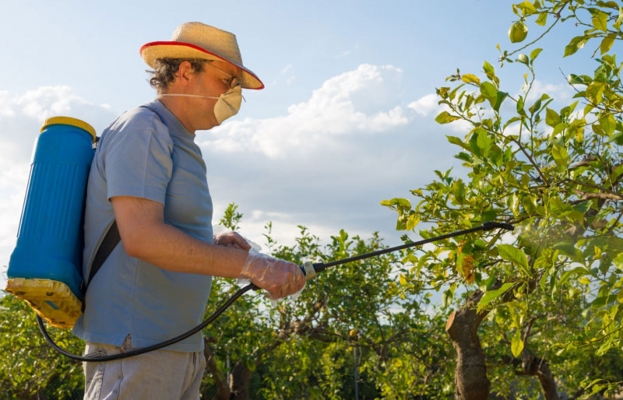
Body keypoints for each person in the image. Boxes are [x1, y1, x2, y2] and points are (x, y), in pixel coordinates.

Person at [72, 21, 306, 400]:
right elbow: (142, 237)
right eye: (226, 80)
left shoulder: (179, 140)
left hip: (175, 346)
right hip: (135, 347)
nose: (232, 94)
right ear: (185, 71)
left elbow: (156, 229)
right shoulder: (145, 129)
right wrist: (252, 266)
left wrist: (211, 242)